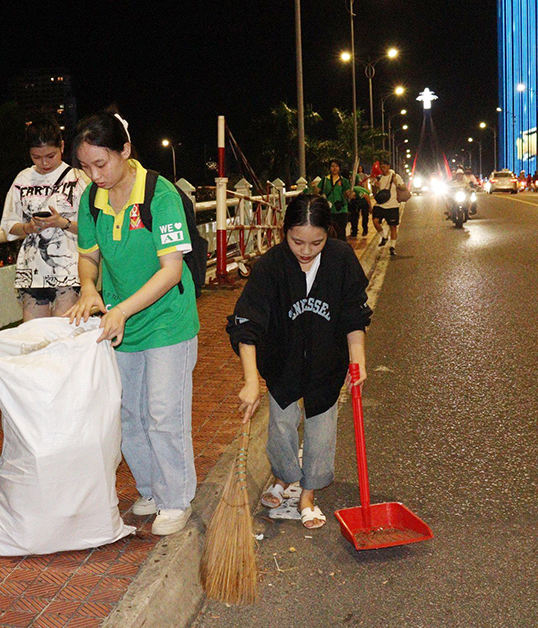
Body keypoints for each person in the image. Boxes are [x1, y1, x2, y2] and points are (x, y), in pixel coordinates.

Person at [66, 109, 200, 537]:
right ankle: (152, 490)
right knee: (126, 413)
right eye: (85, 167)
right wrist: (90, 288)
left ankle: (177, 498)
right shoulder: (91, 200)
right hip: (122, 324)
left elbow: (171, 271)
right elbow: (88, 255)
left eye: (100, 164)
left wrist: (121, 309)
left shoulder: (159, 195)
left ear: (124, 150)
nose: (94, 175)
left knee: (163, 411)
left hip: (165, 319)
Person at [227, 194, 371, 530]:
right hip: (281, 361)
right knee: (281, 425)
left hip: (327, 361)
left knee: (321, 428)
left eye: (316, 242)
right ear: (284, 232)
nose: (306, 250)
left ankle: (307, 494)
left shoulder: (340, 258)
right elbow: (247, 324)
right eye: (297, 241)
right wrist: (251, 382)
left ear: (328, 234)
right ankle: (283, 476)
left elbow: (354, 312)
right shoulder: (270, 267)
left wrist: (358, 358)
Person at [0, 113, 89, 320]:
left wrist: (63, 223)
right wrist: (28, 228)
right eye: (36, 157)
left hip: (70, 271)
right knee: (33, 338)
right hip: (31, 272)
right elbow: (8, 224)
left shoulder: (78, 179)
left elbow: (94, 228)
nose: (44, 163)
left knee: (63, 336)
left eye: (50, 156)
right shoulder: (22, 179)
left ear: (62, 147)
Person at [371, 159, 406, 256]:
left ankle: (392, 247)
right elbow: (374, 193)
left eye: (385, 166)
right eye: (381, 167)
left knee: (393, 227)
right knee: (375, 221)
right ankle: (384, 237)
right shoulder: (378, 178)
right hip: (380, 205)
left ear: (388, 166)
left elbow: (404, 188)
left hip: (392, 205)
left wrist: (397, 183)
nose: (383, 168)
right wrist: (375, 187)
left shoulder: (395, 176)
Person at [316, 160, 352, 239]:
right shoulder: (325, 180)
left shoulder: (344, 181)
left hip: (342, 209)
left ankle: (342, 250)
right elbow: (316, 191)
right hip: (329, 210)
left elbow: (348, 194)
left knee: (341, 232)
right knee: (330, 232)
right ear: (329, 168)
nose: (334, 168)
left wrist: (349, 194)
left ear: (339, 168)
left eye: (336, 166)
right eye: (332, 166)